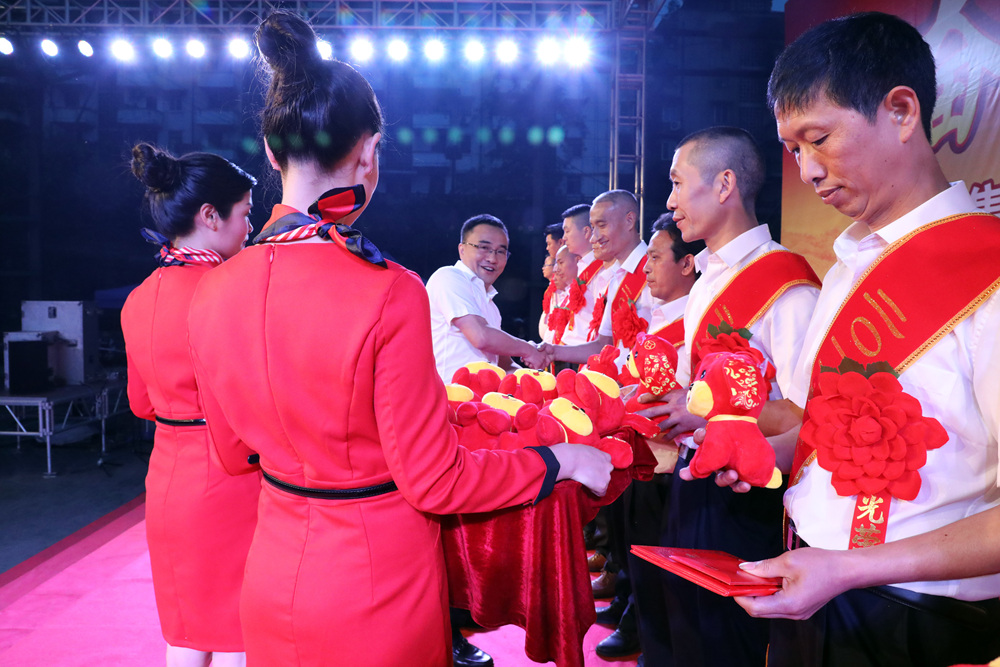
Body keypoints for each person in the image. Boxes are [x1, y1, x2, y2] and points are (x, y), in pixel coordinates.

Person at [185, 11, 613, 667]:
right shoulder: (388, 290)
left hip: (272, 573)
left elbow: (231, 451)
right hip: (377, 583)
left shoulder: (212, 289)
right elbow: (436, 480)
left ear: (271, 153)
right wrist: (563, 461)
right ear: (369, 153)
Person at [728, 12, 1000, 666]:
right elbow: (829, 435)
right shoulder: (847, 268)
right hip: (815, 583)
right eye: (793, 149)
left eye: (819, 138)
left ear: (901, 112)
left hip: (915, 618)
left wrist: (851, 569)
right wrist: (763, 451)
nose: (807, 170)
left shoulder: (987, 273)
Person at [633, 126, 821, 667]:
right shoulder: (707, 280)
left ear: (724, 185)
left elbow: (807, 412)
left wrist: (702, 410)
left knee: (725, 642)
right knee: (683, 631)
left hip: (745, 491)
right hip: (692, 479)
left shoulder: (789, 286)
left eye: (677, 183)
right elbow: (694, 390)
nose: (670, 201)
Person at [122, 144, 259, 667]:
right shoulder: (229, 292)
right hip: (231, 479)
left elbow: (140, 403)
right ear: (210, 215)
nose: (249, 228)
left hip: (167, 479)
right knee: (236, 631)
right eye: (244, 213)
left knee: (186, 628)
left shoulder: (139, 297)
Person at [598, 213, 704, 661]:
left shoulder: (696, 322)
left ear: (687, 264)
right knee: (633, 548)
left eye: (656, 257)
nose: (646, 267)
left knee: (654, 556)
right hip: (639, 451)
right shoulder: (659, 319)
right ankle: (631, 612)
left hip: (668, 458)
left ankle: (642, 632)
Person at [426, 214, 548, 381]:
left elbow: (505, 365)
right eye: (484, 248)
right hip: (448, 394)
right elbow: (481, 336)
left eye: (500, 251)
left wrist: (536, 382)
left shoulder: (492, 307)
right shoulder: (448, 277)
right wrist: (528, 350)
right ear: (462, 249)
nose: (492, 258)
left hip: (483, 396)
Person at [544, 190, 657, 370]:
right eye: (593, 227)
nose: (594, 237)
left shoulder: (655, 270)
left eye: (602, 225)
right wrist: (551, 351)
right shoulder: (616, 277)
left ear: (629, 220)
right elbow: (603, 344)